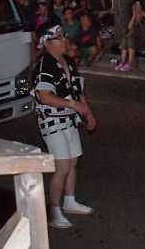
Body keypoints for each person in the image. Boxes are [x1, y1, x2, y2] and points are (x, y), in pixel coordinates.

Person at [31, 22, 96, 229]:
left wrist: (88, 112)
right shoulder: (44, 65)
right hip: (52, 120)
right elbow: (44, 96)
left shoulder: (68, 61)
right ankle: (54, 211)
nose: (64, 39)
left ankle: (69, 201)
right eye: (59, 37)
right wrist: (72, 104)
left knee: (74, 161)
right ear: (47, 43)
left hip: (69, 119)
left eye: (63, 35)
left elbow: (78, 91)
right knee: (63, 166)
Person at [116, 0, 145, 71]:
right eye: (133, 8)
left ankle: (130, 63)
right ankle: (123, 62)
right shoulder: (132, 18)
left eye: (136, 8)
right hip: (133, 41)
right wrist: (134, 15)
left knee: (130, 38)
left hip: (144, 41)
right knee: (126, 38)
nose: (135, 10)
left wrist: (142, 12)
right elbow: (129, 28)